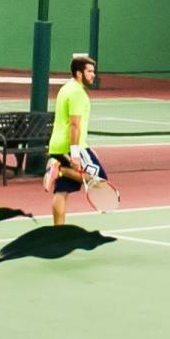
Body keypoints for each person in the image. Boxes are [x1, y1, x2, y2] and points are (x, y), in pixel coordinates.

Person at [43, 51, 108, 223]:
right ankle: (59, 170)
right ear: (79, 73)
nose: (93, 75)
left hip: (56, 146)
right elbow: (74, 125)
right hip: (71, 146)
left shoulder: (66, 88)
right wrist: (76, 154)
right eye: (89, 71)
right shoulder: (78, 93)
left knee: (61, 192)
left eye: (93, 71)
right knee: (99, 181)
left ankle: (59, 235)